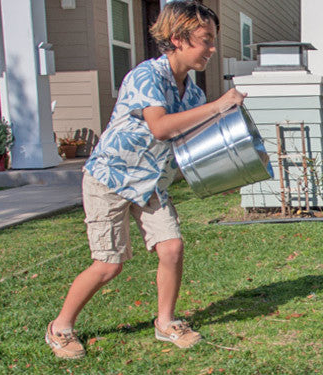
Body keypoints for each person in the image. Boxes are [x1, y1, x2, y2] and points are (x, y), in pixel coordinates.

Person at [45, 1, 244, 359]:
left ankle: (165, 323)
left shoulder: (193, 94)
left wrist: (238, 161)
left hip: (152, 184)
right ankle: (60, 328)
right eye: (206, 40)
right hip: (111, 178)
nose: (212, 49)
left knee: (172, 248)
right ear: (178, 39)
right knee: (109, 264)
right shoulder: (146, 76)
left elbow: (195, 146)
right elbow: (160, 126)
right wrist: (218, 105)